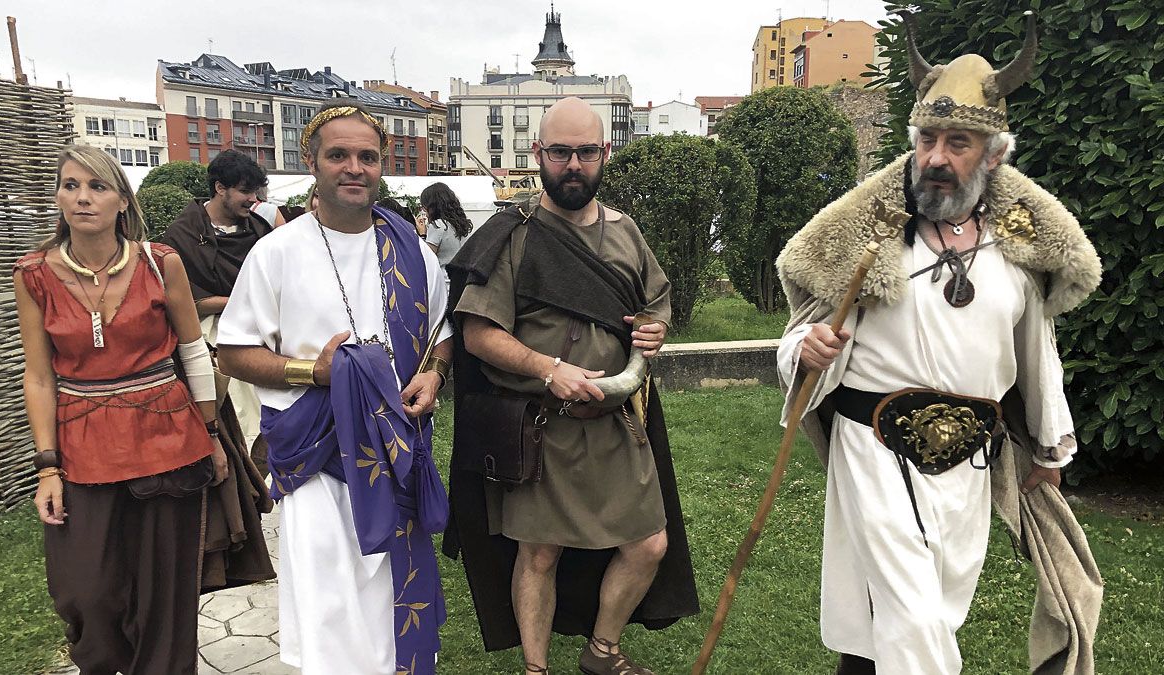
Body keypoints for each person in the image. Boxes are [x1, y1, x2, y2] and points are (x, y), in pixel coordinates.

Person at [775, 12, 1102, 674]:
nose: (936, 159)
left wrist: (1047, 445)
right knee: (915, 622)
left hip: (966, 468)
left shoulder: (1016, 245)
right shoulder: (869, 233)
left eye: (958, 143)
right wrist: (803, 351)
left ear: (994, 153)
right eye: (927, 139)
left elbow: (1037, 354)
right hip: (873, 449)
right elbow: (797, 339)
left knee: (908, 622)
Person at [444, 97, 699, 675]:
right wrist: (548, 369)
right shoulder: (514, 235)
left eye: (586, 152)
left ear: (605, 154)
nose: (574, 164)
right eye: (561, 152)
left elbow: (655, 305)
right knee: (539, 554)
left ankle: (602, 651)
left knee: (649, 545)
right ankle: (536, 669)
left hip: (617, 424)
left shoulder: (627, 233)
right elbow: (480, 333)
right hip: (544, 432)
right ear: (539, 155)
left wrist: (653, 331)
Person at [217, 100, 452, 674]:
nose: (354, 167)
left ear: (381, 164)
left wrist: (435, 372)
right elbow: (232, 352)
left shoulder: (413, 252)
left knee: (391, 604)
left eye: (367, 156)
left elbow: (443, 332)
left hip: (396, 454)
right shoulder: (278, 252)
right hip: (318, 460)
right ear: (312, 162)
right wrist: (312, 372)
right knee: (328, 610)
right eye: (339, 155)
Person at [14, 145, 227, 674]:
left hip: (168, 438)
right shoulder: (35, 273)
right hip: (81, 445)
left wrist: (213, 433)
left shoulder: (161, 262)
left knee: (165, 598)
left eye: (97, 186)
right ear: (58, 195)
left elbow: (193, 349)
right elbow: (39, 376)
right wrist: (47, 468)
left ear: (122, 201)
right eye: (70, 185)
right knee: (86, 592)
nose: (82, 198)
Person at [159, 149, 273, 456]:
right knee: (233, 423)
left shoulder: (260, 231)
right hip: (210, 345)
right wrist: (242, 301)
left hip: (262, 335)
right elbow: (188, 303)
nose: (252, 199)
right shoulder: (182, 235)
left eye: (255, 193)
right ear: (220, 188)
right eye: (245, 191)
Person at [420, 181, 474, 276]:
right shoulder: (462, 224)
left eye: (424, 206)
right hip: (462, 277)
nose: (423, 210)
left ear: (432, 206)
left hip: (443, 278)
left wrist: (422, 235)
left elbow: (427, 257)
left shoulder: (438, 225)